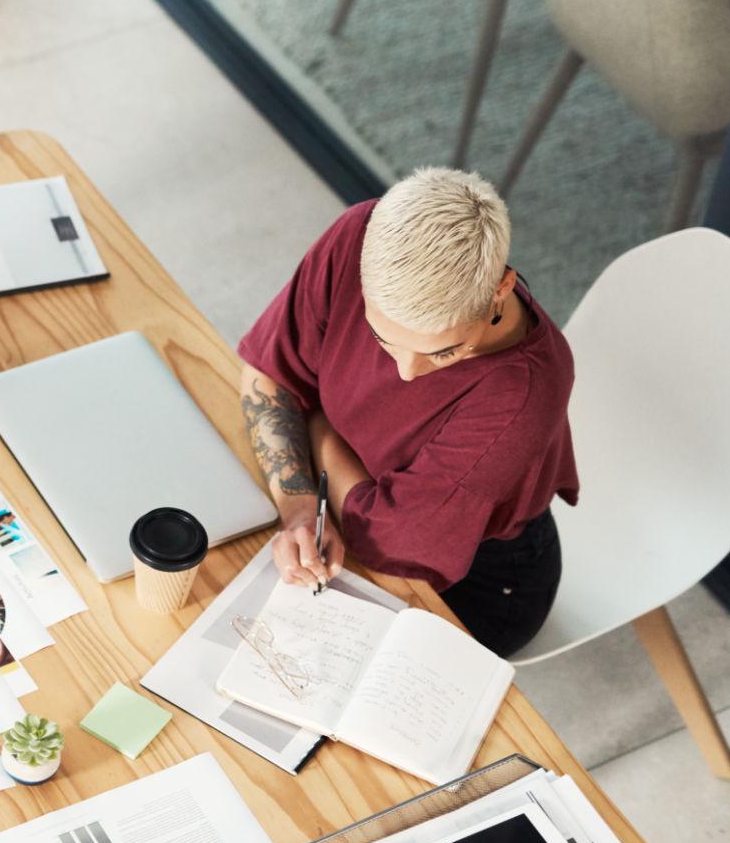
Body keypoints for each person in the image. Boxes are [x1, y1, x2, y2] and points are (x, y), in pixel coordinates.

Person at [236, 169, 579, 656]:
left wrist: (320, 425)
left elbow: (392, 543)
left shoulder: (525, 392)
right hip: (344, 499)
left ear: (500, 289)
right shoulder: (356, 234)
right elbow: (267, 374)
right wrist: (296, 508)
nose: (405, 373)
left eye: (443, 352)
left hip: (478, 583)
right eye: (382, 338)